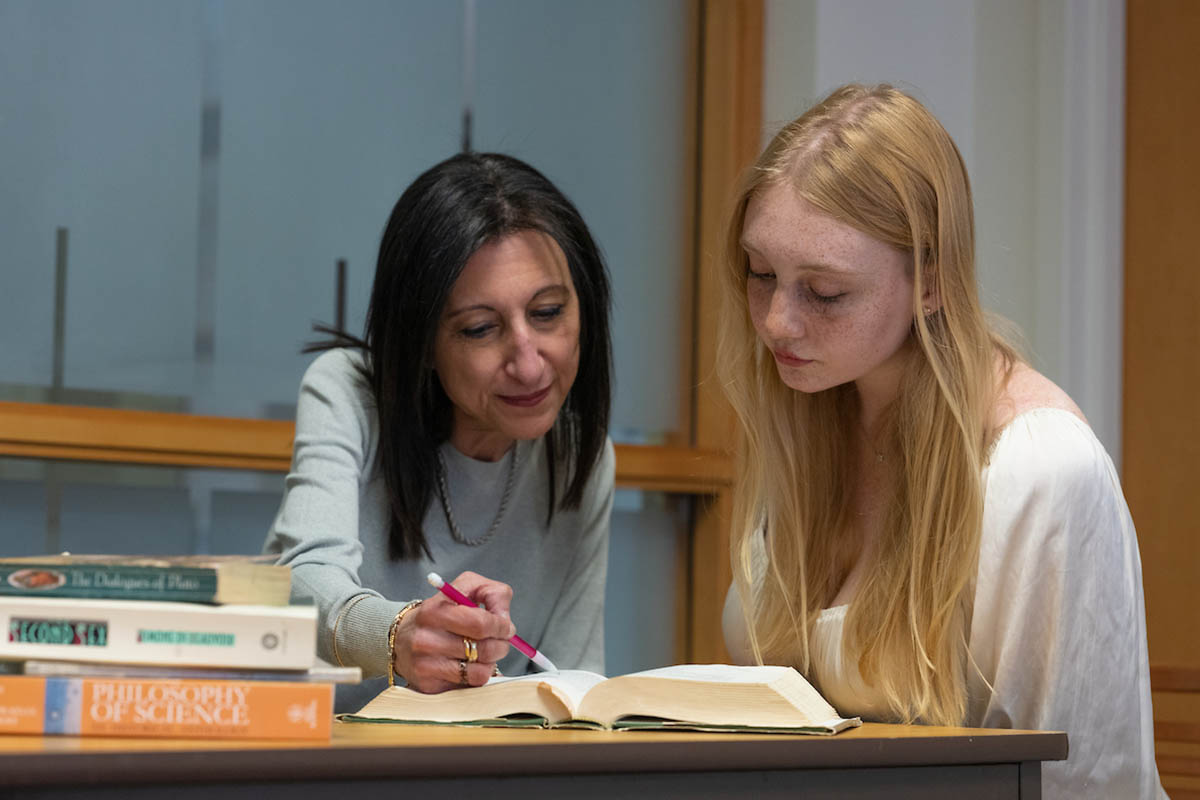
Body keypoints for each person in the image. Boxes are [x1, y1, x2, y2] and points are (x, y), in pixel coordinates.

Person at [717, 84, 1163, 798]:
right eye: (760, 273)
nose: (775, 322)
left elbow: (1079, 781)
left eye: (825, 293)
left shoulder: (1040, 470)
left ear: (931, 283)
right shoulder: (812, 420)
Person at [263, 152, 614, 712]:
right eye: (480, 329)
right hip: (315, 754)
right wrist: (399, 634)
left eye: (547, 312)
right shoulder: (348, 393)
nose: (528, 364)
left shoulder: (580, 459)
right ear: (422, 341)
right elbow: (302, 581)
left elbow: (573, 681)